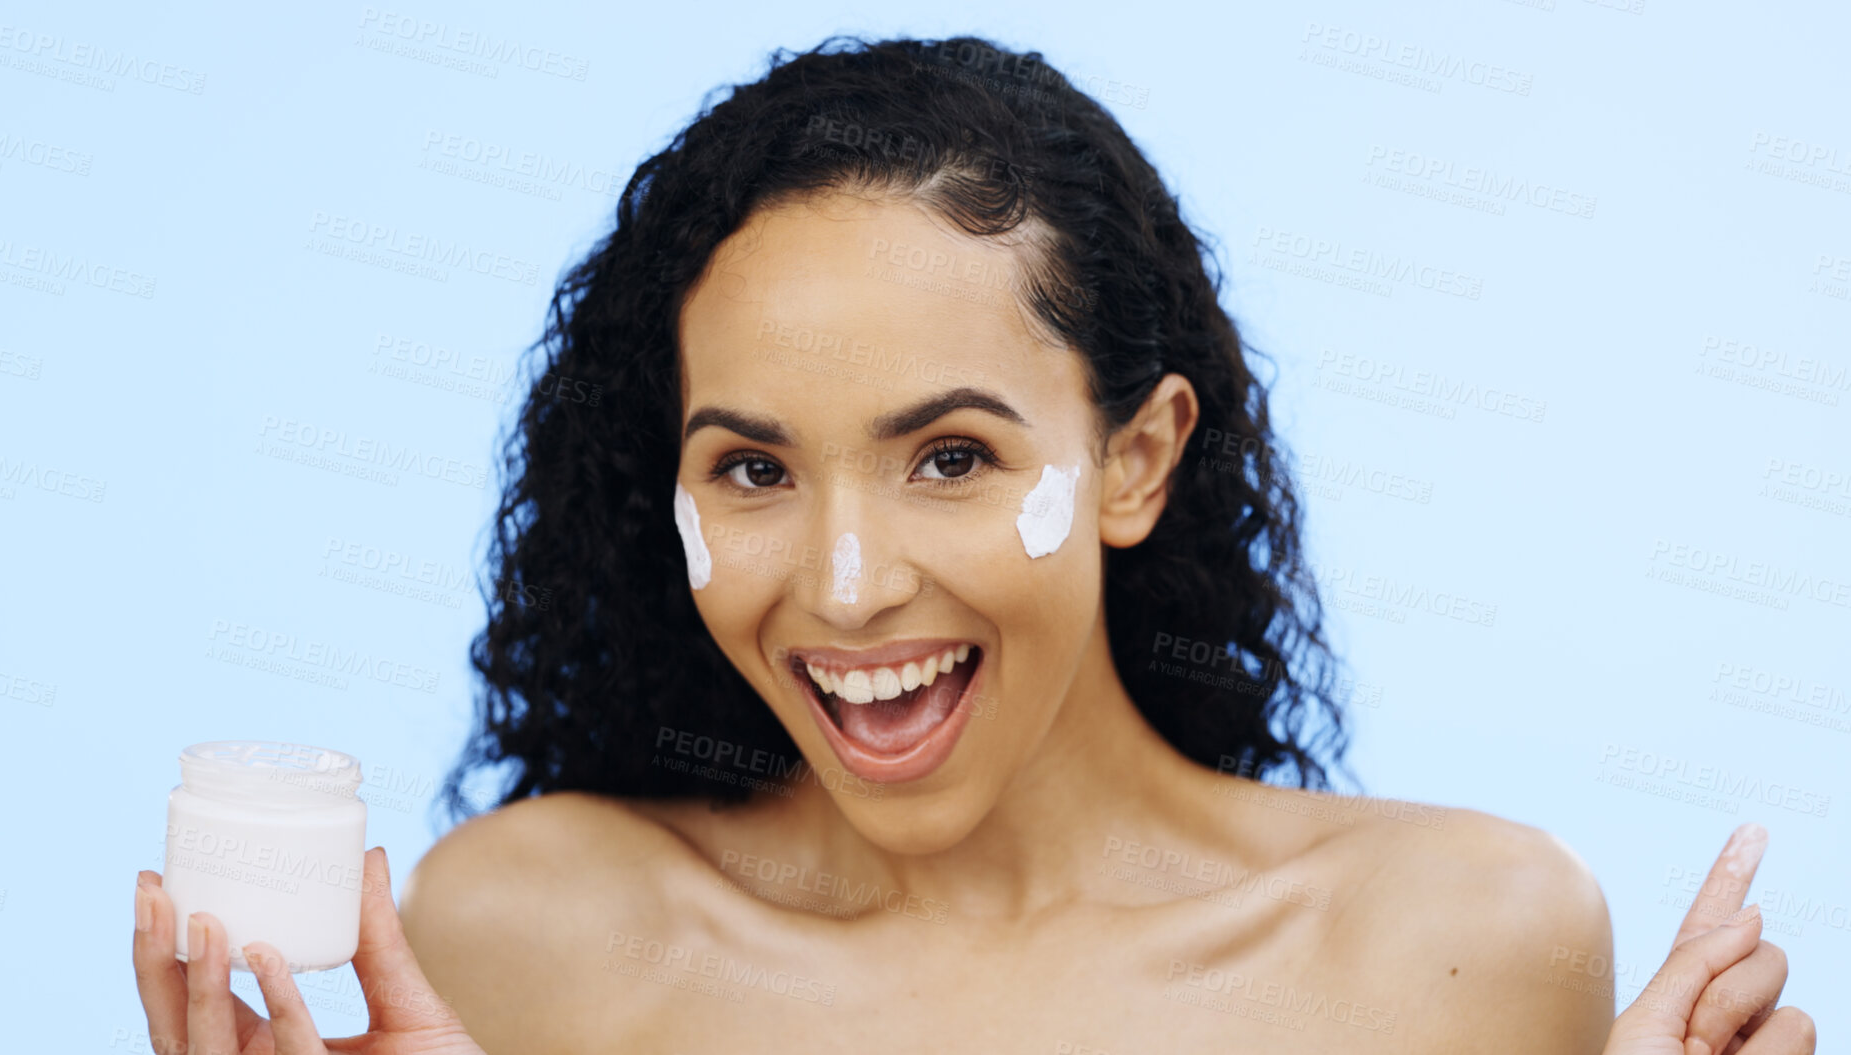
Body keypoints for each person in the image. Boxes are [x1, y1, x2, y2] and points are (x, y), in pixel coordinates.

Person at [130, 34, 1815, 1054]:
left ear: (1135, 457)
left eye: (947, 456)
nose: (846, 584)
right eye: (751, 470)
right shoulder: (531, 933)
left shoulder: (1452, 943)